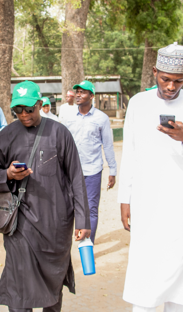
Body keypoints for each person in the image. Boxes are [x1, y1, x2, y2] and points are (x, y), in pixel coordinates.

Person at [118, 43, 183, 312]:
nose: (171, 87)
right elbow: (130, 153)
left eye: (178, 80)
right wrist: (124, 199)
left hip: (182, 202)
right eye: (165, 79)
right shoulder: (139, 103)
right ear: (155, 72)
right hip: (145, 199)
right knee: (145, 264)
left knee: (177, 264)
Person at [0, 81, 90, 312]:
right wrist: (8, 174)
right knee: (18, 283)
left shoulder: (59, 133)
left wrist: (83, 221)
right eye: (18, 110)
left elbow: (76, 178)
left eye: (29, 109)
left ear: (40, 104)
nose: (24, 114)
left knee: (52, 285)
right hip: (20, 224)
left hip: (55, 224)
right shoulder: (6, 135)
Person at [61, 80, 117, 243]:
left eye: (83, 92)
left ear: (92, 96)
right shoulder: (68, 116)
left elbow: (107, 145)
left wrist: (112, 170)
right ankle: (65, 242)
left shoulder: (102, 118)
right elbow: (61, 142)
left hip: (92, 171)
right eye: (77, 91)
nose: (78, 94)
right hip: (70, 170)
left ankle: (87, 243)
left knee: (91, 209)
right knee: (67, 207)